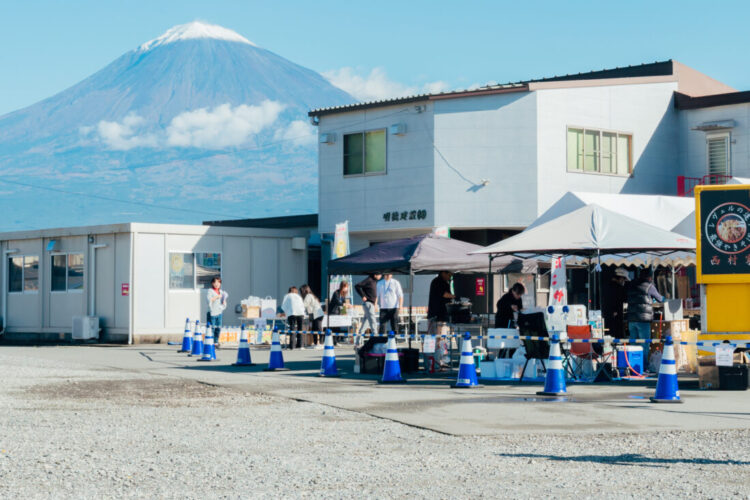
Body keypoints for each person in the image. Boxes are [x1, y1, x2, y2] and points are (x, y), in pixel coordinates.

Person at [626, 268, 664, 359]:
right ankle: (644, 367)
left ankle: (633, 366)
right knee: (644, 344)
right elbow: (660, 299)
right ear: (650, 277)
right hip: (643, 320)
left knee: (633, 344)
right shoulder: (649, 286)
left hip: (631, 319)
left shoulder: (631, 284)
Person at [602, 268, 629, 338]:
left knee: (608, 335)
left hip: (606, 314)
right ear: (620, 278)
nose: (624, 282)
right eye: (624, 280)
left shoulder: (605, 286)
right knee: (617, 335)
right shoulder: (619, 288)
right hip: (616, 316)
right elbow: (624, 299)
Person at [355, 273, 382, 342]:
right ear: (375, 274)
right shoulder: (369, 280)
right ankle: (376, 339)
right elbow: (357, 286)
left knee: (365, 323)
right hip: (368, 303)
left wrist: (375, 304)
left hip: (371, 304)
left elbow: (375, 295)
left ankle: (357, 341)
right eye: (379, 274)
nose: (381, 276)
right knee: (373, 321)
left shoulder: (374, 281)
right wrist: (362, 295)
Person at [206, 277, 227, 348]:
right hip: (212, 313)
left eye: (219, 282)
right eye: (215, 282)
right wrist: (217, 297)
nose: (217, 284)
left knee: (218, 328)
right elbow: (209, 300)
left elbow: (223, 302)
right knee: (211, 328)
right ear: (212, 283)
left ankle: (215, 342)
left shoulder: (221, 292)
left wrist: (224, 301)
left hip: (219, 312)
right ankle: (210, 342)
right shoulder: (210, 291)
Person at [328, 281, 351, 345]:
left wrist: (344, 312)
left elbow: (343, 305)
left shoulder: (343, 295)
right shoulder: (336, 293)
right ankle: (332, 341)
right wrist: (344, 304)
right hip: (332, 312)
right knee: (333, 327)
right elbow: (338, 302)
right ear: (342, 287)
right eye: (345, 287)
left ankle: (336, 341)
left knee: (338, 327)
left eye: (347, 287)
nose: (346, 288)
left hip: (337, 312)